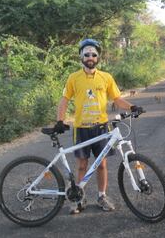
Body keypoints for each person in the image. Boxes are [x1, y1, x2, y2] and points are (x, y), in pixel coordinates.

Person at [54, 38, 143, 214]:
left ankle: (102, 196)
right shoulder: (73, 78)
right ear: (81, 56)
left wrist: (132, 107)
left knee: (101, 165)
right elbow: (64, 100)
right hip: (81, 128)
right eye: (86, 54)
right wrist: (60, 120)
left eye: (93, 54)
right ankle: (80, 197)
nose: (90, 57)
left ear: (98, 57)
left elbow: (116, 99)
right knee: (82, 165)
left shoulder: (106, 77)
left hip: (101, 127)